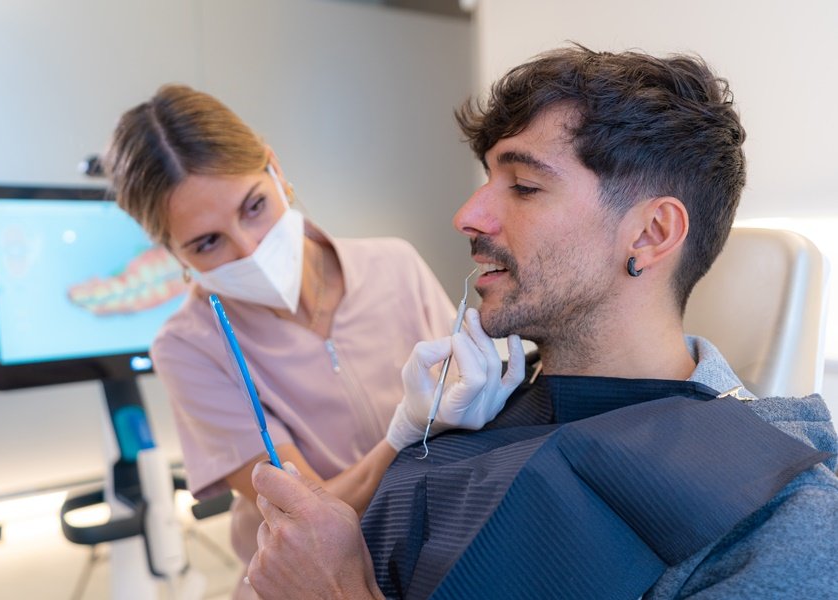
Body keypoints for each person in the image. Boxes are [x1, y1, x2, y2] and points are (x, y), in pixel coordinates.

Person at [246, 46, 838, 599]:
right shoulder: (478, 403)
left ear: (651, 233)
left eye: (524, 187)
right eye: (487, 180)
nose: (467, 216)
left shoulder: (780, 524)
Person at [103, 84, 526, 598]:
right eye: (207, 242)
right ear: (172, 252)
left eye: (254, 206)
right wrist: (403, 436)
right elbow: (302, 514)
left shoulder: (393, 265)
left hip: (430, 568)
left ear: (275, 170)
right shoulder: (189, 347)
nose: (250, 249)